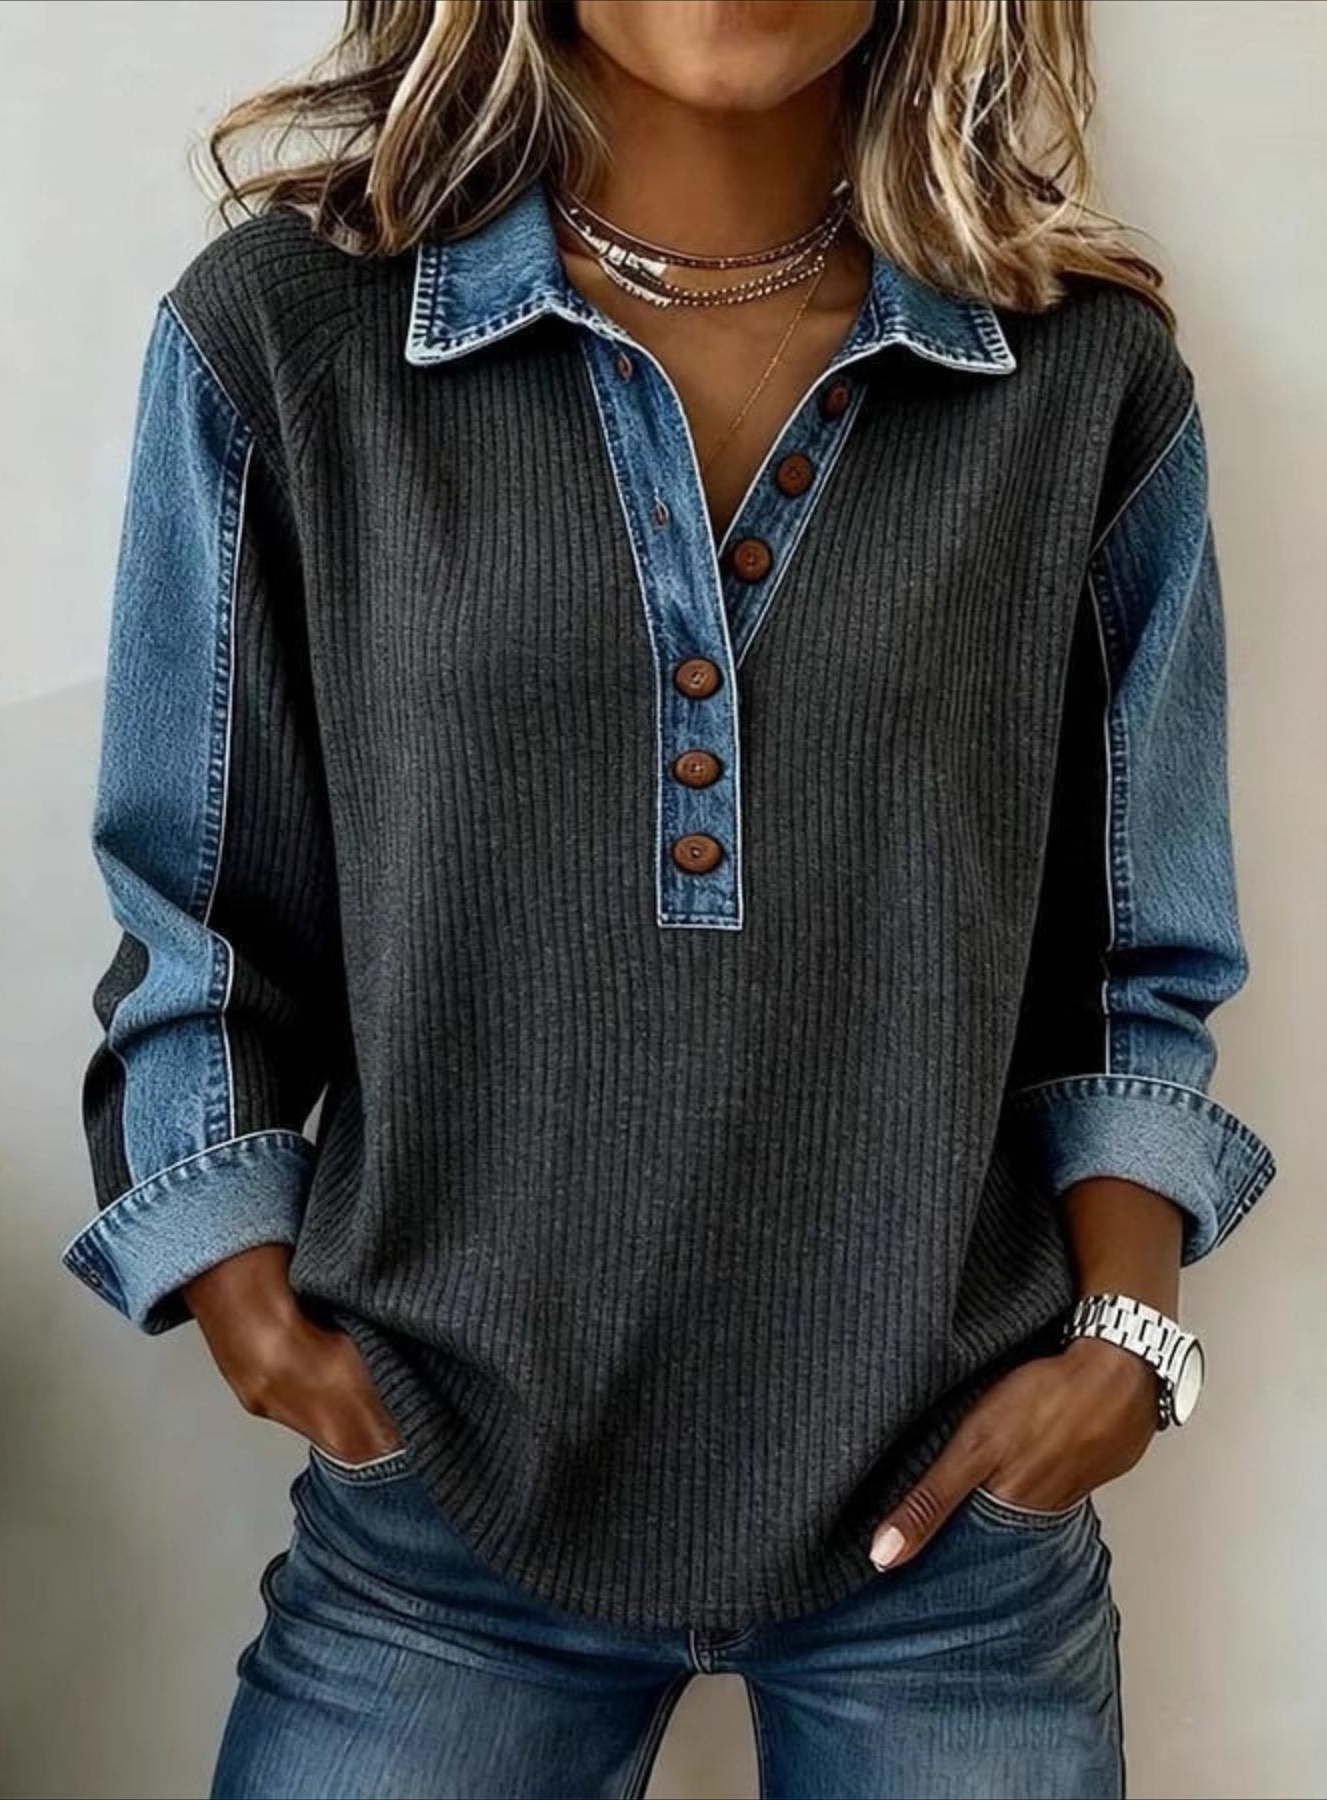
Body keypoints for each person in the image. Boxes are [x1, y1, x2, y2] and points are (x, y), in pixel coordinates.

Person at [62, 2, 1277, 1796]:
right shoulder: (293, 338)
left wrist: (1124, 1343)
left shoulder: (1077, 375)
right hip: (440, 1519)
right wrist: (249, 1305)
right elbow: (201, 904)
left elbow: (1128, 957)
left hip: (955, 1534)